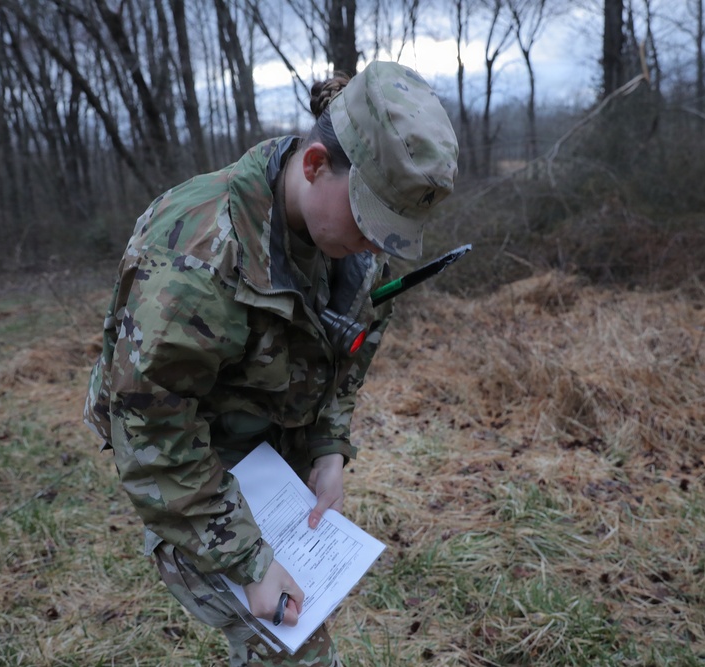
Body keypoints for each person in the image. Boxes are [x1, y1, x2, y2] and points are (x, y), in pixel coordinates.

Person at [83, 60, 459, 667]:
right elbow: (152, 435)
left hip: (273, 459)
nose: (376, 245)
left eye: (392, 233)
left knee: (300, 611)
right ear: (314, 166)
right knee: (295, 644)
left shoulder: (354, 242)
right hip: (191, 468)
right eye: (368, 222)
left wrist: (330, 447)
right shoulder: (194, 256)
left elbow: (353, 347)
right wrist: (248, 561)